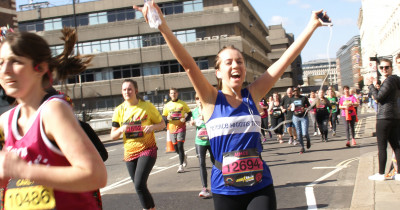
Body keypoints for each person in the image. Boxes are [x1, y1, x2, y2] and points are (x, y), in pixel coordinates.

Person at [134, 2, 329, 209]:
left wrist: (312, 25)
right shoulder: (210, 99)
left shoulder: (252, 95)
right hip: (225, 189)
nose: (235, 65)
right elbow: (188, 65)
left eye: (240, 61)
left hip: (260, 185)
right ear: (218, 72)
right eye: (228, 62)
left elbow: (283, 61)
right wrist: (162, 25)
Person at [0, 29, 107, 209]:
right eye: (1, 62)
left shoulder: (53, 111)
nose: (5, 70)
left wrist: (25, 171)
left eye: (15, 61)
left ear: (40, 68)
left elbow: (96, 175)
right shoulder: (4, 121)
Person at [110, 79, 166, 209]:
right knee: (139, 186)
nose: (127, 92)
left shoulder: (147, 106)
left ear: (136, 91)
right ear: (121, 92)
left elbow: (162, 124)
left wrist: (152, 127)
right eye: (124, 89)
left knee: (139, 184)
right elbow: (113, 135)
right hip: (129, 152)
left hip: (148, 149)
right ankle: (151, 208)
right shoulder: (119, 110)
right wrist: (120, 130)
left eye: (129, 89)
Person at [367, 58, 400, 181]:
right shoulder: (396, 80)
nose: (384, 69)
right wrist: (379, 87)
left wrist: (370, 86)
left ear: (391, 68)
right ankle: (399, 174)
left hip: (384, 117)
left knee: (382, 147)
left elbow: (378, 98)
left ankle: (381, 174)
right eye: (381, 68)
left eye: (386, 67)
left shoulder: (389, 80)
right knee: (396, 146)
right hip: (395, 117)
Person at [190, 94, 215, 198]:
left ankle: (219, 183)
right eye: (196, 98)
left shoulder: (209, 108)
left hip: (211, 140)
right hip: (200, 141)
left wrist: (205, 118)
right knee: (201, 163)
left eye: (200, 98)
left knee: (216, 162)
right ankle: (204, 188)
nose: (199, 100)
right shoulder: (194, 111)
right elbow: (193, 122)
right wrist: (192, 122)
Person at [162, 88, 191, 173]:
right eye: (171, 93)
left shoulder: (182, 103)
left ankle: (181, 166)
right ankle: (183, 155)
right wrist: (167, 118)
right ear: (169, 95)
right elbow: (164, 116)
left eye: (174, 93)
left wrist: (185, 119)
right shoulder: (167, 105)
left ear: (177, 93)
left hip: (181, 127)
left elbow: (189, 113)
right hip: (172, 128)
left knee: (180, 146)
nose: (173, 94)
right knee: (175, 148)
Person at [291, 87, 311, 154]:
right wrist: (289, 108)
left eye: (297, 91)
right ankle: (302, 147)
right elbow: (288, 107)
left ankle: (308, 140)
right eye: (294, 91)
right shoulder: (291, 99)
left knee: (304, 133)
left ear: (299, 91)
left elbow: (309, 106)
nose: (296, 92)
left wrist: (304, 108)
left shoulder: (304, 98)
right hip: (296, 117)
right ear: (293, 92)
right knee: (299, 133)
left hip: (303, 117)